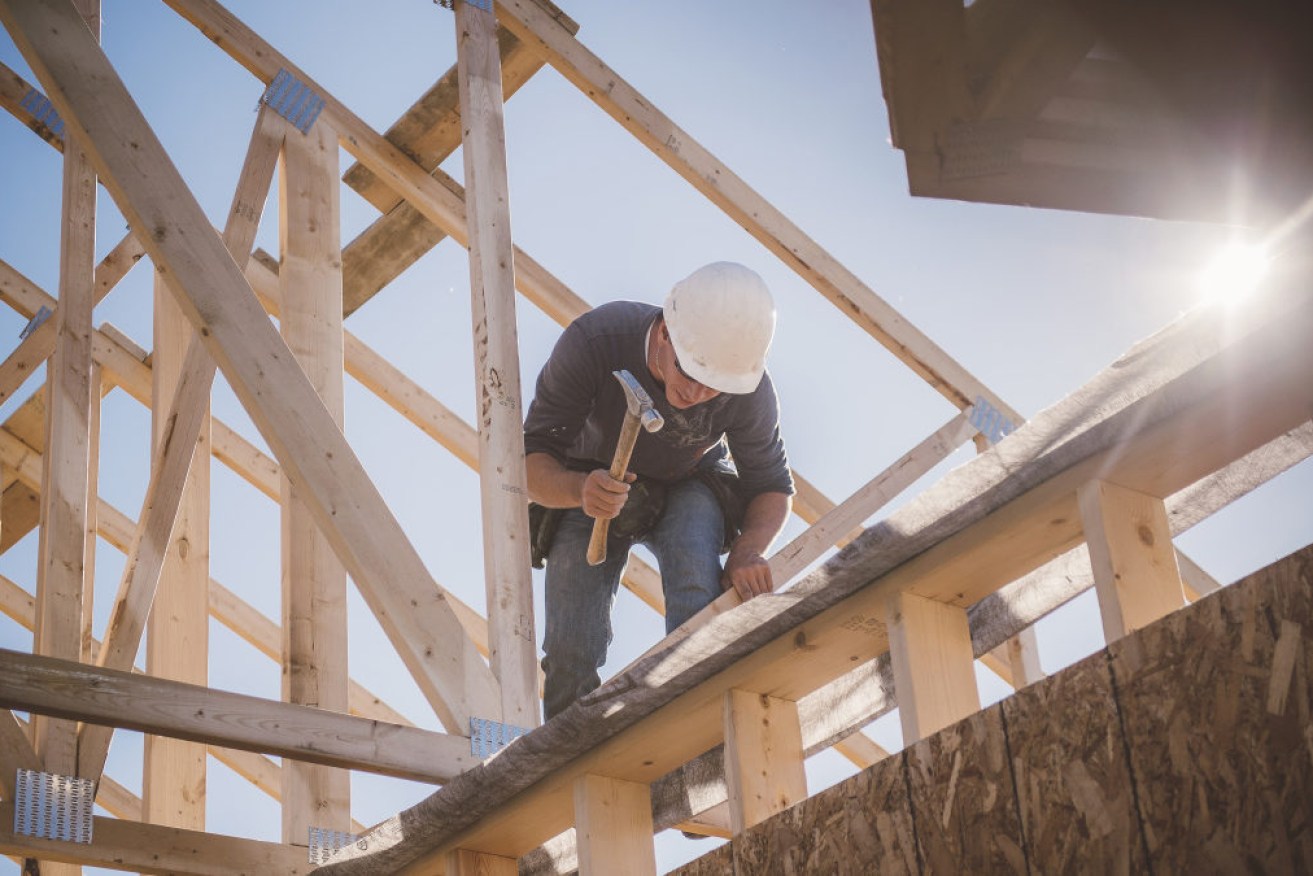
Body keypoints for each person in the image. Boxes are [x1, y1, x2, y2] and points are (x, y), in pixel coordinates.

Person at [524, 261, 795, 720]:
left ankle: (698, 725)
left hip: (691, 483)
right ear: (666, 331)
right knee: (571, 644)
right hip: (594, 481)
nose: (695, 393)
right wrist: (578, 489)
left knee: (697, 606)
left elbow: (772, 486)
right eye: (688, 373)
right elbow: (529, 459)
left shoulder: (748, 389)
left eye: (713, 387)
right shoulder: (596, 342)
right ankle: (571, 766)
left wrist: (748, 551)